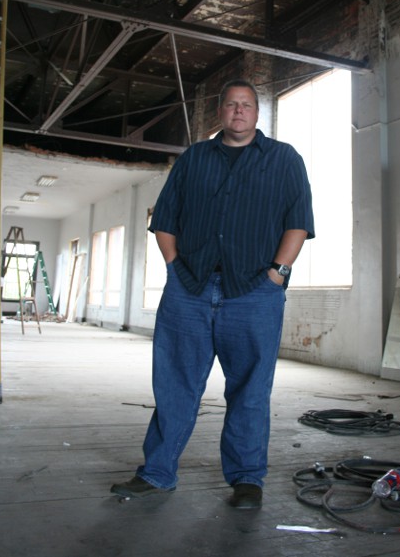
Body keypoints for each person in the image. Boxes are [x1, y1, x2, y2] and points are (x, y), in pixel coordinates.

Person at [111, 79, 314, 508]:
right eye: (230, 105)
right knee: (175, 384)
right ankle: (157, 473)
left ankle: (246, 480)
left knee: (250, 389)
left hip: (255, 292)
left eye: (246, 105)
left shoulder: (284, 159)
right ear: (219, 112)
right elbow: (164, 219)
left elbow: (298, 222)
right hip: (190, 289)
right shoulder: (194, 159)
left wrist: (277, 274)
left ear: (257, 114)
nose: (238, 112)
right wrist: (173, 269)